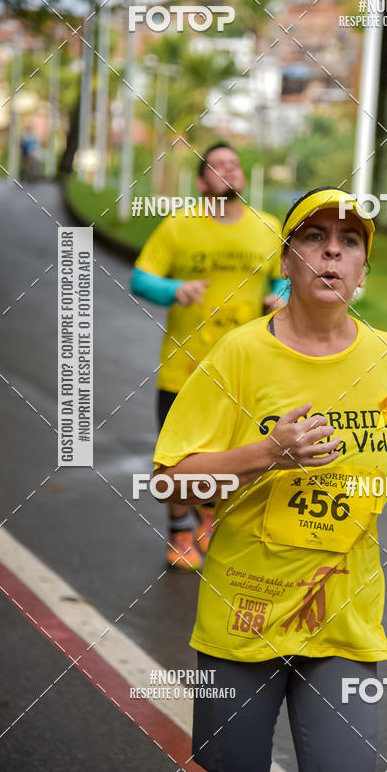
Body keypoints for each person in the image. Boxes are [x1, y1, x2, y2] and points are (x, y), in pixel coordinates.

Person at [153, 187, 387, 772]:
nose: (332, 253)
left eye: (349, 242)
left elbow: (386, 465)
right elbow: (170, 480)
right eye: (314, 238)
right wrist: (268, 453)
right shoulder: (239, 353)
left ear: (363, 269)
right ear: (286, 261)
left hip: (344, 616)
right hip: (246, 614)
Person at [131, 143, 287, 571]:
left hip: (246, 367)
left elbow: (288, 277)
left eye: (234, 164)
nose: (229, 170)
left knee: (235, 449)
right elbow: (140, 278)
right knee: (179, 457)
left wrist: (282, 296)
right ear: (202, 182)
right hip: (185, 364)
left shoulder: (268, 227)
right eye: (218, 165)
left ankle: (209, 515)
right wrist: (174, 289)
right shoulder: (179, 226)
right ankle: (179, 529)